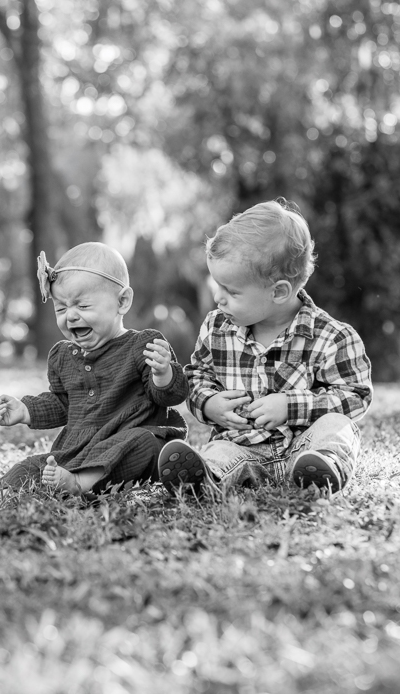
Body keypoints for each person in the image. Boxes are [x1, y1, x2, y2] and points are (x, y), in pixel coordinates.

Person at [157, 198, 372, 495]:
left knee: (336, 427)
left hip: (304, 445)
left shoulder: (331, 337)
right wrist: (208, 403)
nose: (219, 298)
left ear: (279, 292)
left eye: (231, 291)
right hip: (240, 444)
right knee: (219, 454)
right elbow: (197, 377)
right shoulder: (217, 327)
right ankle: (204, 477)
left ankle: (323, 468)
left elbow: (355, 396)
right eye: (217, 286)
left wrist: (291, 406)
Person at [0, 242, 188, 495]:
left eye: (82, 306)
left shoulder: (142, 345)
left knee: (143, 443)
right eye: (61, 308)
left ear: (122, 302)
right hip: (79, 450)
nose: (70, 316)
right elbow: (63, 403)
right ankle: (1, 491)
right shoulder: (63, 356)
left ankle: (80, 484)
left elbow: (171, 396)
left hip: (131, 439)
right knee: (30, 467)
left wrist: (163, 374)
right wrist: (25, 410)